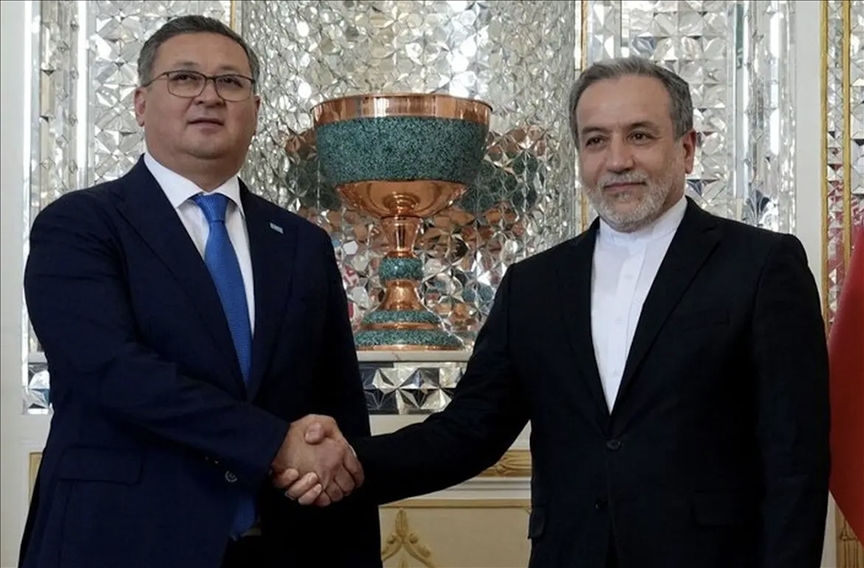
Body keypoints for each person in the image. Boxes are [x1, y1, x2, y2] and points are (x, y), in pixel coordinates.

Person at [279, 56, 832, 568]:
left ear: (686, 148)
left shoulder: (762, 265)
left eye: (640, 135)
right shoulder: (535, 285)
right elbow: (469, 431)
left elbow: (795, 458)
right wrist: (349, 463)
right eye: (596, 140)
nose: (617, 160)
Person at [19, 15, 381, 568]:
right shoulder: (80, 225)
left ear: (255, 110)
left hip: (286, 544)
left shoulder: (301, 243)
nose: (209, 96)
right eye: (185, 78)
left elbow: (339, 404)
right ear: (141, 104)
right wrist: (273, 442)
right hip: (123, 540)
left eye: (230, 82)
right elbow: (112, 371)